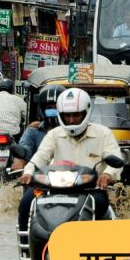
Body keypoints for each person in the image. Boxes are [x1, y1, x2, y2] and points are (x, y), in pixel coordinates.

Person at [21, 88, 122, 220]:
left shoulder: (103, 133)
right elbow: (41, 156)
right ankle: (25, 239)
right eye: (67, 116)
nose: (71, 120)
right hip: (56, 190)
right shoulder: (54, 134)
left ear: (86, 112)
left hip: (91, 190)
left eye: (76, 115)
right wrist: (28, 172)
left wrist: (107, 174)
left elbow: (116, 158)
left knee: (101, 203)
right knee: (27, 201)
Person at [15, 85, 66, 252]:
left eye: (55, 107)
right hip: (41, 183)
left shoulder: (73, 131)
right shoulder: (33, 131)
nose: (52, 111)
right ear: (42, 109)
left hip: (69, 183)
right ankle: (25, 249)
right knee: (25, 203)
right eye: (48, 108)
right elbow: (25, 151)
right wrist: (21, 162)